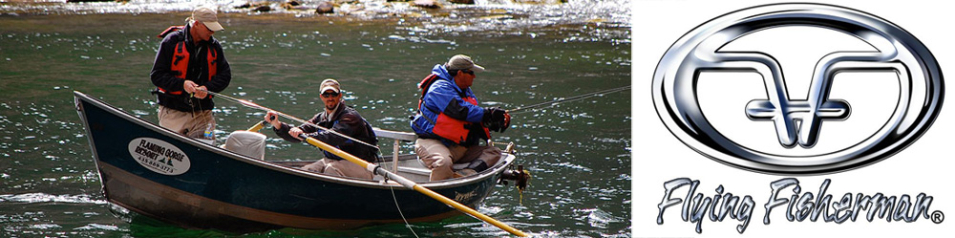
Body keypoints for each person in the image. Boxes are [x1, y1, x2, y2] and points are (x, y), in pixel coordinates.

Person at [411, 54, 511, 181]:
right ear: (460, 73)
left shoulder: (465, 90)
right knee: (443, 163)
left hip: (458, 146)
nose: (474, 76)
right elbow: (459, 110)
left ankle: (468, 173)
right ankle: (436, 197)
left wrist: (492, 122)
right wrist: (487, 113)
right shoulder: (439, 88)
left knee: (495, 153)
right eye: (471, 73)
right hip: (433, 142)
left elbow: (469, 120)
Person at [265, 79, 380, 179]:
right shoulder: (320, 118)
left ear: (340, 96)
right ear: (321, 97)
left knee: (331, 169)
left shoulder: (350, 117)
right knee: (306, 171)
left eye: (333, 94)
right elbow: (298, 133)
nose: (330, 98)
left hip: (362, 166)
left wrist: (307, 136)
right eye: (326, 95)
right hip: (332, 161)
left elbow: (334, 137)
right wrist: (277, 124)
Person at [150, 6, 231, 141]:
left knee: (206, 151)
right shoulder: (171, 42)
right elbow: (156, 75)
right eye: (209, 28)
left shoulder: (215, 46)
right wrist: (183, 84)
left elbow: (225, 76)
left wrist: (207, 88)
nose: (212, 32)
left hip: (203, 115)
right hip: (173, 113)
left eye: (214, 28)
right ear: (197, 24)